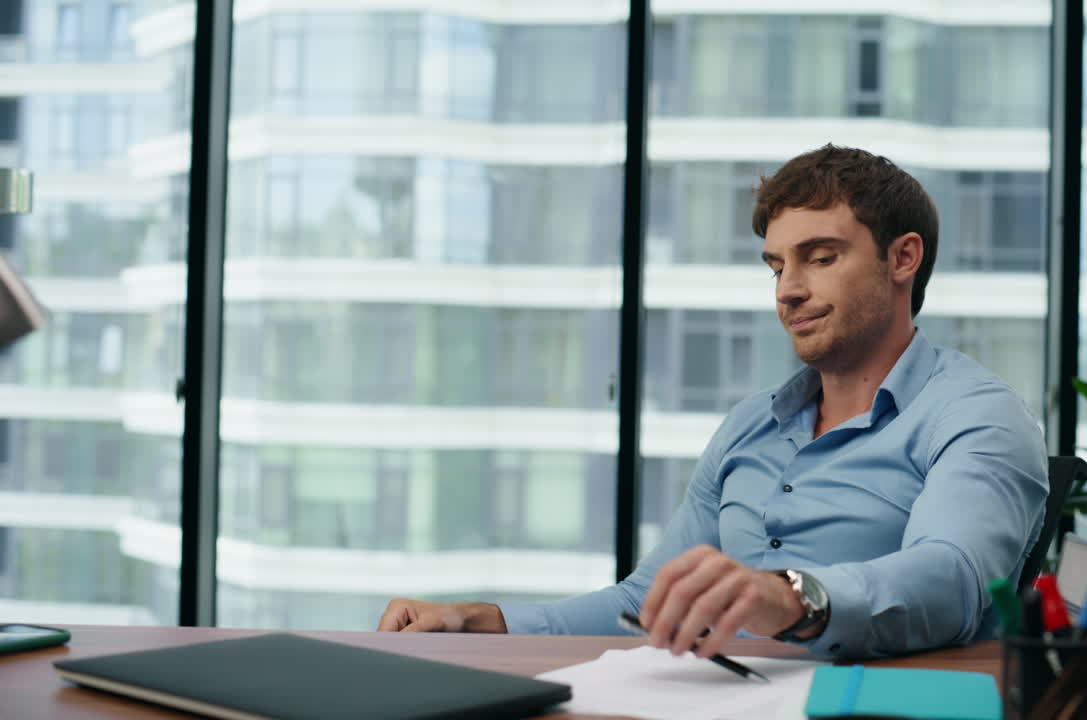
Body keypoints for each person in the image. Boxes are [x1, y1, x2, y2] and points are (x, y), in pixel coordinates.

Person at [378, 144, 1048, 660]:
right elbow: (646, 600)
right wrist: (488, 622)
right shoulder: (751, 424)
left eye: (820, 257)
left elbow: (952, 579)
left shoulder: (977, 415)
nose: (787, 290)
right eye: (777, 266)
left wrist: (788, 596)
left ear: (903, 259)